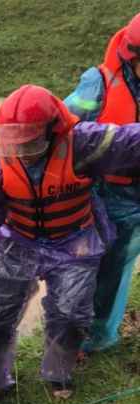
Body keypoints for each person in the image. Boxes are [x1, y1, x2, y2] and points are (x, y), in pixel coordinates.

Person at [0, 84, 140, 404]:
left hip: (74, 240)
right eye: (13, 144)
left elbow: (132, 142)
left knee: (72, 313)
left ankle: (58, 371)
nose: (21, 152)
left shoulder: (85, 143)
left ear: (55, 132)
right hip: (18, 241)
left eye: (32, 144)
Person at [65, 13, 140, 358]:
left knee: (120, 264)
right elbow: (65, 131)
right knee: (98, 263)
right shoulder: (98, 83)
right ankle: (83, 335)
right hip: (107, 193)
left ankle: (98, 333)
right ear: (132, 57)